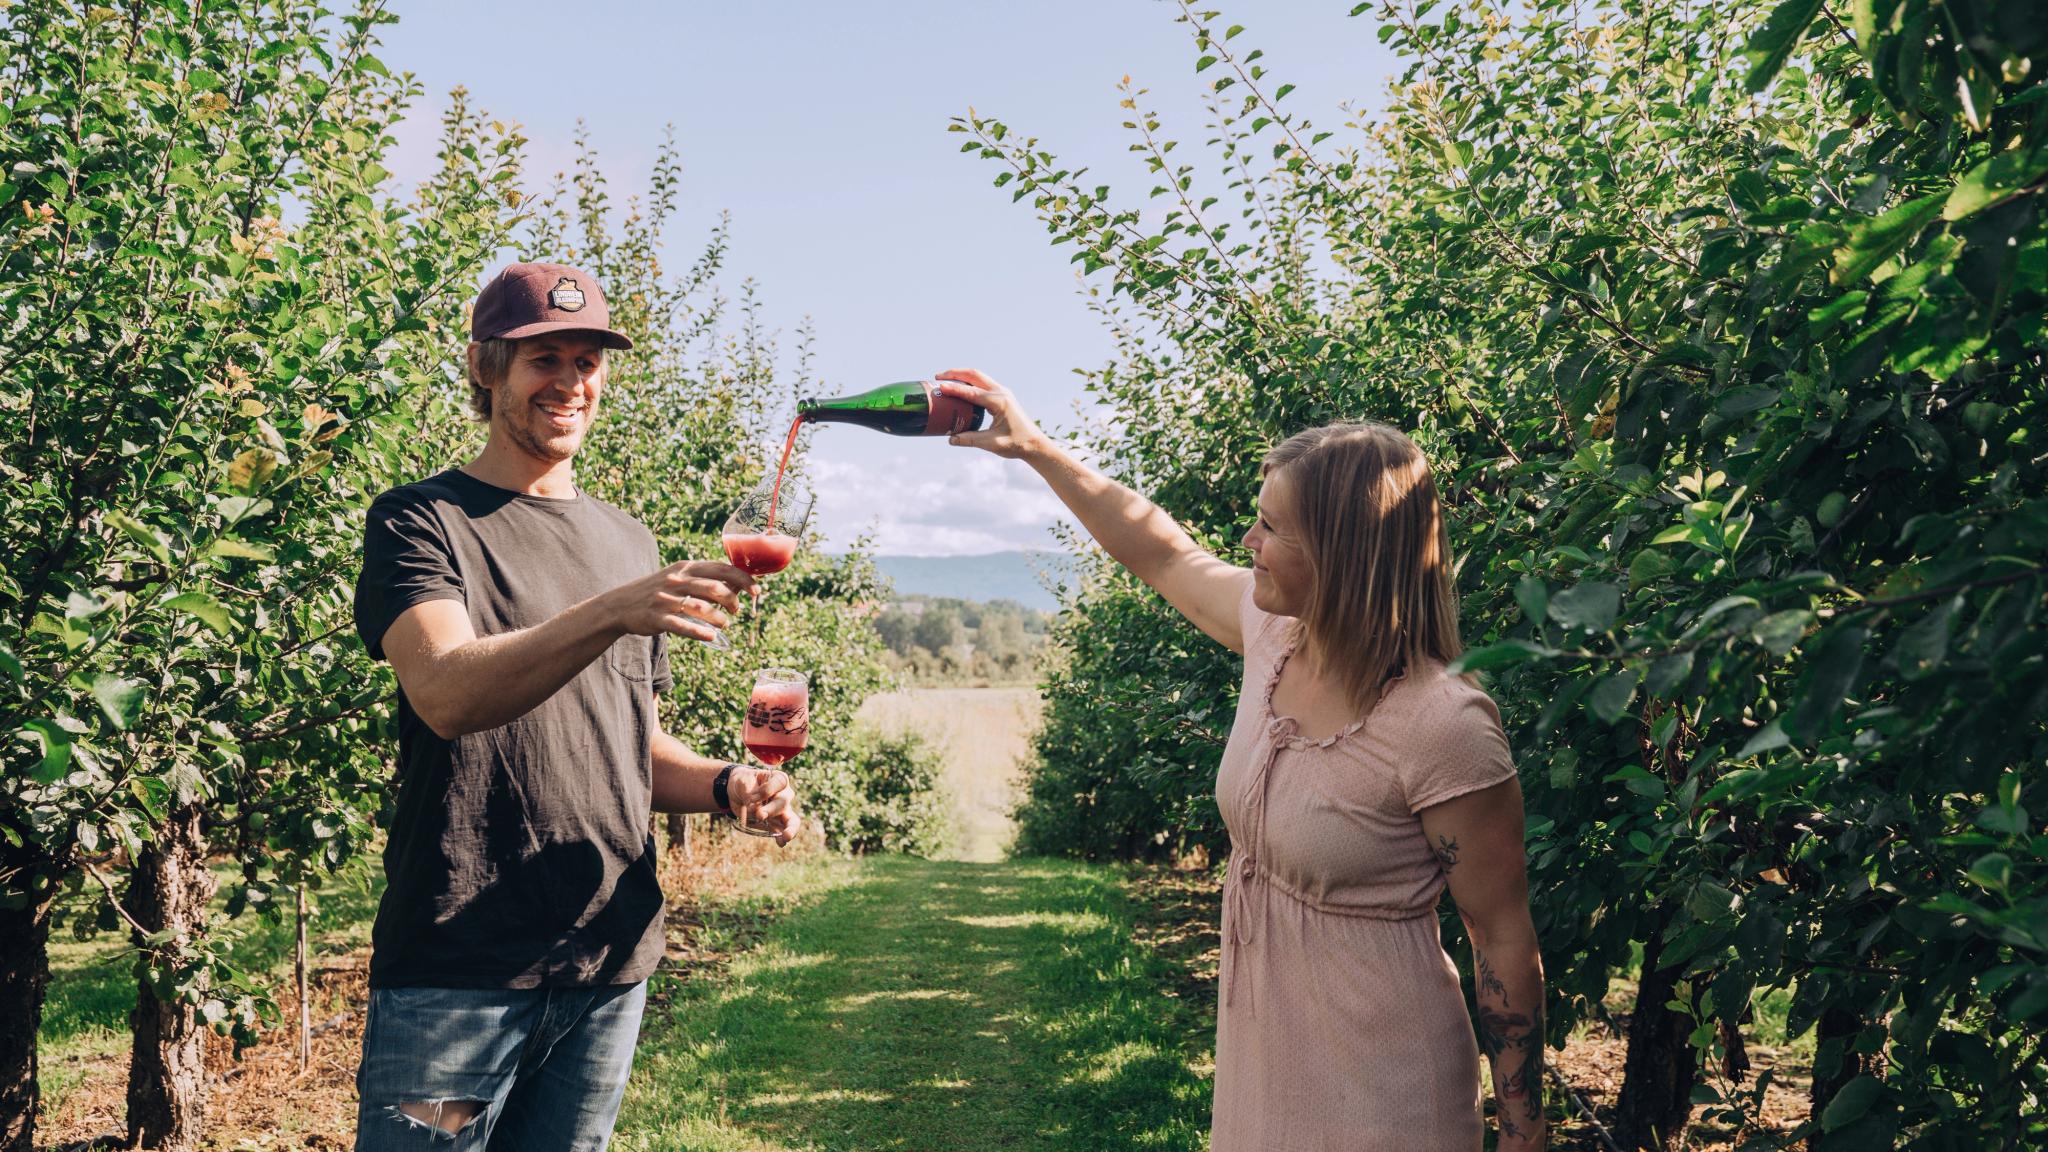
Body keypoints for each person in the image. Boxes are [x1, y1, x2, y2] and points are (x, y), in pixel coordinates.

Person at [935, 369, 1547, 1151]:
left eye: (1270, 528)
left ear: (1341, 553)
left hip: (1384, 1079)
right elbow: (1160, 552)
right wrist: (1035, 449)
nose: (1248, 544)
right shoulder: (1275, 640)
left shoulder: (1442, 725)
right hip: (1263, 1054)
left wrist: (1524, 1134)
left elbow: (1501, 936)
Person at [349, 261, 800, 1151]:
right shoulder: (421, 521)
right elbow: (444, 690)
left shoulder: (626, 539)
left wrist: (726, 786)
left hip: (608, 962)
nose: (570, 383)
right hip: (457, 976)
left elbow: (627, 743)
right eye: (542, 358)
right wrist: (614, 609)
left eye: (587, 361)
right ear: (486, 369)